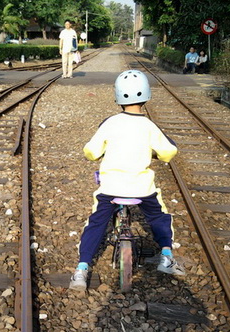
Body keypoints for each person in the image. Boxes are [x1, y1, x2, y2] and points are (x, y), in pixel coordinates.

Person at [69, 70, 185, 291]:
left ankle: (81, 270)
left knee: (96, 223)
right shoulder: (150, 126)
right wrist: (156, 154)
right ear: (147, 96)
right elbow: (169, 152)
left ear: (117, 96)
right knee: (159, 217)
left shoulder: (110, 123)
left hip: (110, 188)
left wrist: (101, 152)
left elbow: (91, 152)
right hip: (142, 189)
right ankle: (167, 257)